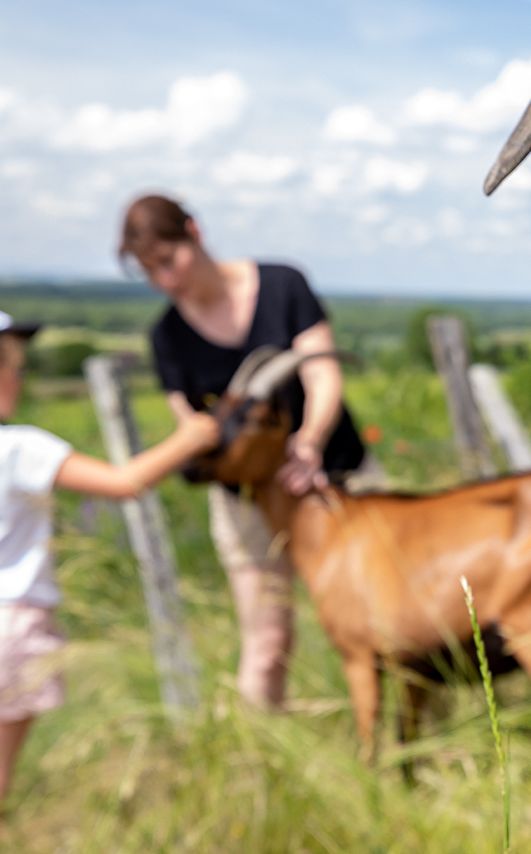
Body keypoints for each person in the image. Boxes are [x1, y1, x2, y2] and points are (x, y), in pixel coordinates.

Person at [0, 296, 219, 854]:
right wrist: (193, 437)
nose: (20, 379)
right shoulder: (15, 448)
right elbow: (124, 481)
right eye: (15, 366)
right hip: (4, 628)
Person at [119, 194, 364, 710]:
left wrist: (310, 441)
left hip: (335, 473)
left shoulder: (282, 285)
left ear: (194, 231)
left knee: (386, 616)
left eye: (169, 260)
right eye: (150, 271)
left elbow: (322, 371)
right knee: (267, 643)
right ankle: (262, 762)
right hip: (246, 500)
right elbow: (195, 430)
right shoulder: (167, 336)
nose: (166, 279)